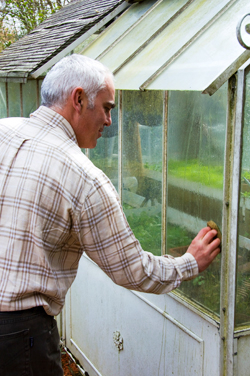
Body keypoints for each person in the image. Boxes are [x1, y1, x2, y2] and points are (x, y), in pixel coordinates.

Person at [0, 54, 220, 375]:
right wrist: (190, 262)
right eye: (107, 108)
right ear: (78, 99)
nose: (109, 121)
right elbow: (132, 271)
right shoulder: (84, 177)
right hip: (19, 338)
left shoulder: (3, 130)